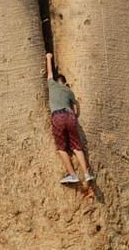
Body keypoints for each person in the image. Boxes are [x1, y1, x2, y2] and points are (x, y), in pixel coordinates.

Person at [46, 53, 94, 185]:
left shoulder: (52, 85)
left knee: (61, 148)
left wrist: (49, 58)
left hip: (58, 116)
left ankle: (73, 175)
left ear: (56, 81)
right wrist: (75, 116)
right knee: (77, 147)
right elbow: (76, 108)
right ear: (65, 82)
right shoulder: (69, 92)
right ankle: (86, 173)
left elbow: (49, 72)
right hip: (70, 116)